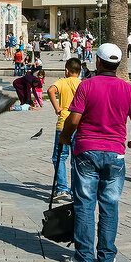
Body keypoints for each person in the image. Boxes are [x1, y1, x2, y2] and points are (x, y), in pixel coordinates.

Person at [59, 43, 131, 262]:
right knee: (110, 204)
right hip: (115, 153)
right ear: (117, 64)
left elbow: (74, 119)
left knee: (85, 204)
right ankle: (106, 257)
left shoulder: (86, 86)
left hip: (86, 150)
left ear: (97, 61)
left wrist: (65, 137)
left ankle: (84, 257)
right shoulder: (129, 90)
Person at [48, 57, 82, 203]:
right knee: (76, 158)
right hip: (78, 124)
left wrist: (57, 107)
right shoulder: (82, 84)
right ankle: (75, 190)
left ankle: (62, 187)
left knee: (59, 156)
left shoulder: (62, 82)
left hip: (63, 123)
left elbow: (50, 90)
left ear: (66, 70)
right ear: (79, 72)